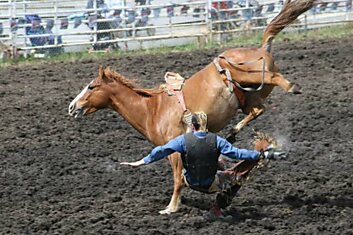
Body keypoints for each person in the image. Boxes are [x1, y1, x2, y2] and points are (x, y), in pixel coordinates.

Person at [120, 111, 285, 220]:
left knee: (217, 162)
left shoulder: (183, 140)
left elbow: (161, 150)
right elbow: (238, 154)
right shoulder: (216, 140)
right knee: (236, 178)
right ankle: (217, 209)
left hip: (189, 181)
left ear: (192, 126)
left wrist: (141, 162)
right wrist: (262, 155)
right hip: (210, 184)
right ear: (206, 124)